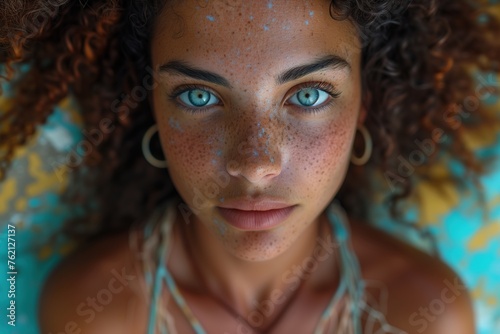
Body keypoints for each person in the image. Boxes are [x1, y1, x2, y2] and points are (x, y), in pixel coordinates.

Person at [1, 0, 499, 333]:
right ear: (151, 105)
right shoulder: (95, 312)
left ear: (362, 106)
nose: (255, 165)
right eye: (198, 96)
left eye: (309, 95)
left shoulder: (423, 313)